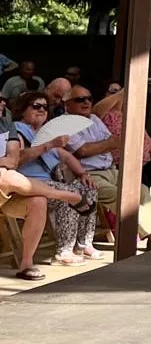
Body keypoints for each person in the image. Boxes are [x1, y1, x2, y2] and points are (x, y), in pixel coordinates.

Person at [64, 86, 151, 249]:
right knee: (122, 195)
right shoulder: (66, 123)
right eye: (80, 99)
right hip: (87, 175)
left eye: (89, 98)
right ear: (67, 104)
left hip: (110, 169)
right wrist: (107, 144)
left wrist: (103, 145)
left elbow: (113, 142)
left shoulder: (94, 119)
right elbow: (83, 150)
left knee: (141, 189)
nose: (86, 102)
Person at [11, 93, 100, 265]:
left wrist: (83, 174)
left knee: (88, 188)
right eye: (36, 106)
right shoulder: (18, 130)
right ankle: (64, 251)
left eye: (45, 107)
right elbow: (17, 158)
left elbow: (66, 156)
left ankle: (83, 244)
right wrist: (49, 145)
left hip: (48, 183)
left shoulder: (44, 133)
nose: (42, 110)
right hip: (27, 183)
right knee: (67, 194)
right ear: (23, 110)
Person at [0, 123, 91, 281]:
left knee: (38, 201)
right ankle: (67, 196)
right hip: (9, 182)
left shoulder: (5, 123)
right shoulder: (20, 127)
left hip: (8, 190)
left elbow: (13, 161)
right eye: (36, 106)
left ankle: (26, 263)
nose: (2, 102)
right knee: (6, 176)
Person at [96, 84, 151, 214]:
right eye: (113, 91)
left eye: (120, 91)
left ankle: (149, 218)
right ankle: (144, 223)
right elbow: (97, 110)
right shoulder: (100, 116)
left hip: (145, 160)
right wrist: (121, 93)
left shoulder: (129, 112)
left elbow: (145, 135)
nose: (119, 95)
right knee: (142, 184)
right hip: (120, 164)